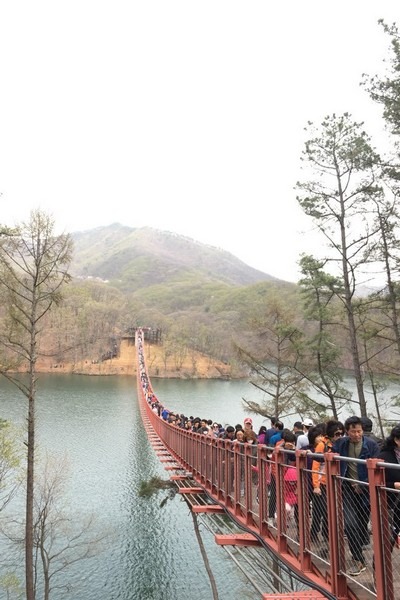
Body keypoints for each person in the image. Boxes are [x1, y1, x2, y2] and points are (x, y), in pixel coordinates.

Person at [333, 415, 380, 576]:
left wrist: (363, 483)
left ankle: (359, 548)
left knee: (361, 524)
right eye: (353, 431)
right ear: (347, 431)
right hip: (347, 488)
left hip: (366, 490)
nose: (357, 434)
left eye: (359, 431)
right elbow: (330, 454)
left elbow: (377, 467)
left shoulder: (371, 445)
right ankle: (358, 558)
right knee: (350, 523)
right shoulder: (342, 444)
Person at [377, 424, 400, 552]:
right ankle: (381, 563)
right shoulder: (384, 457)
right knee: (390, 536)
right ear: (396, 440)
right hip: (393, 503)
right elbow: (377, 481)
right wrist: (394, 485)